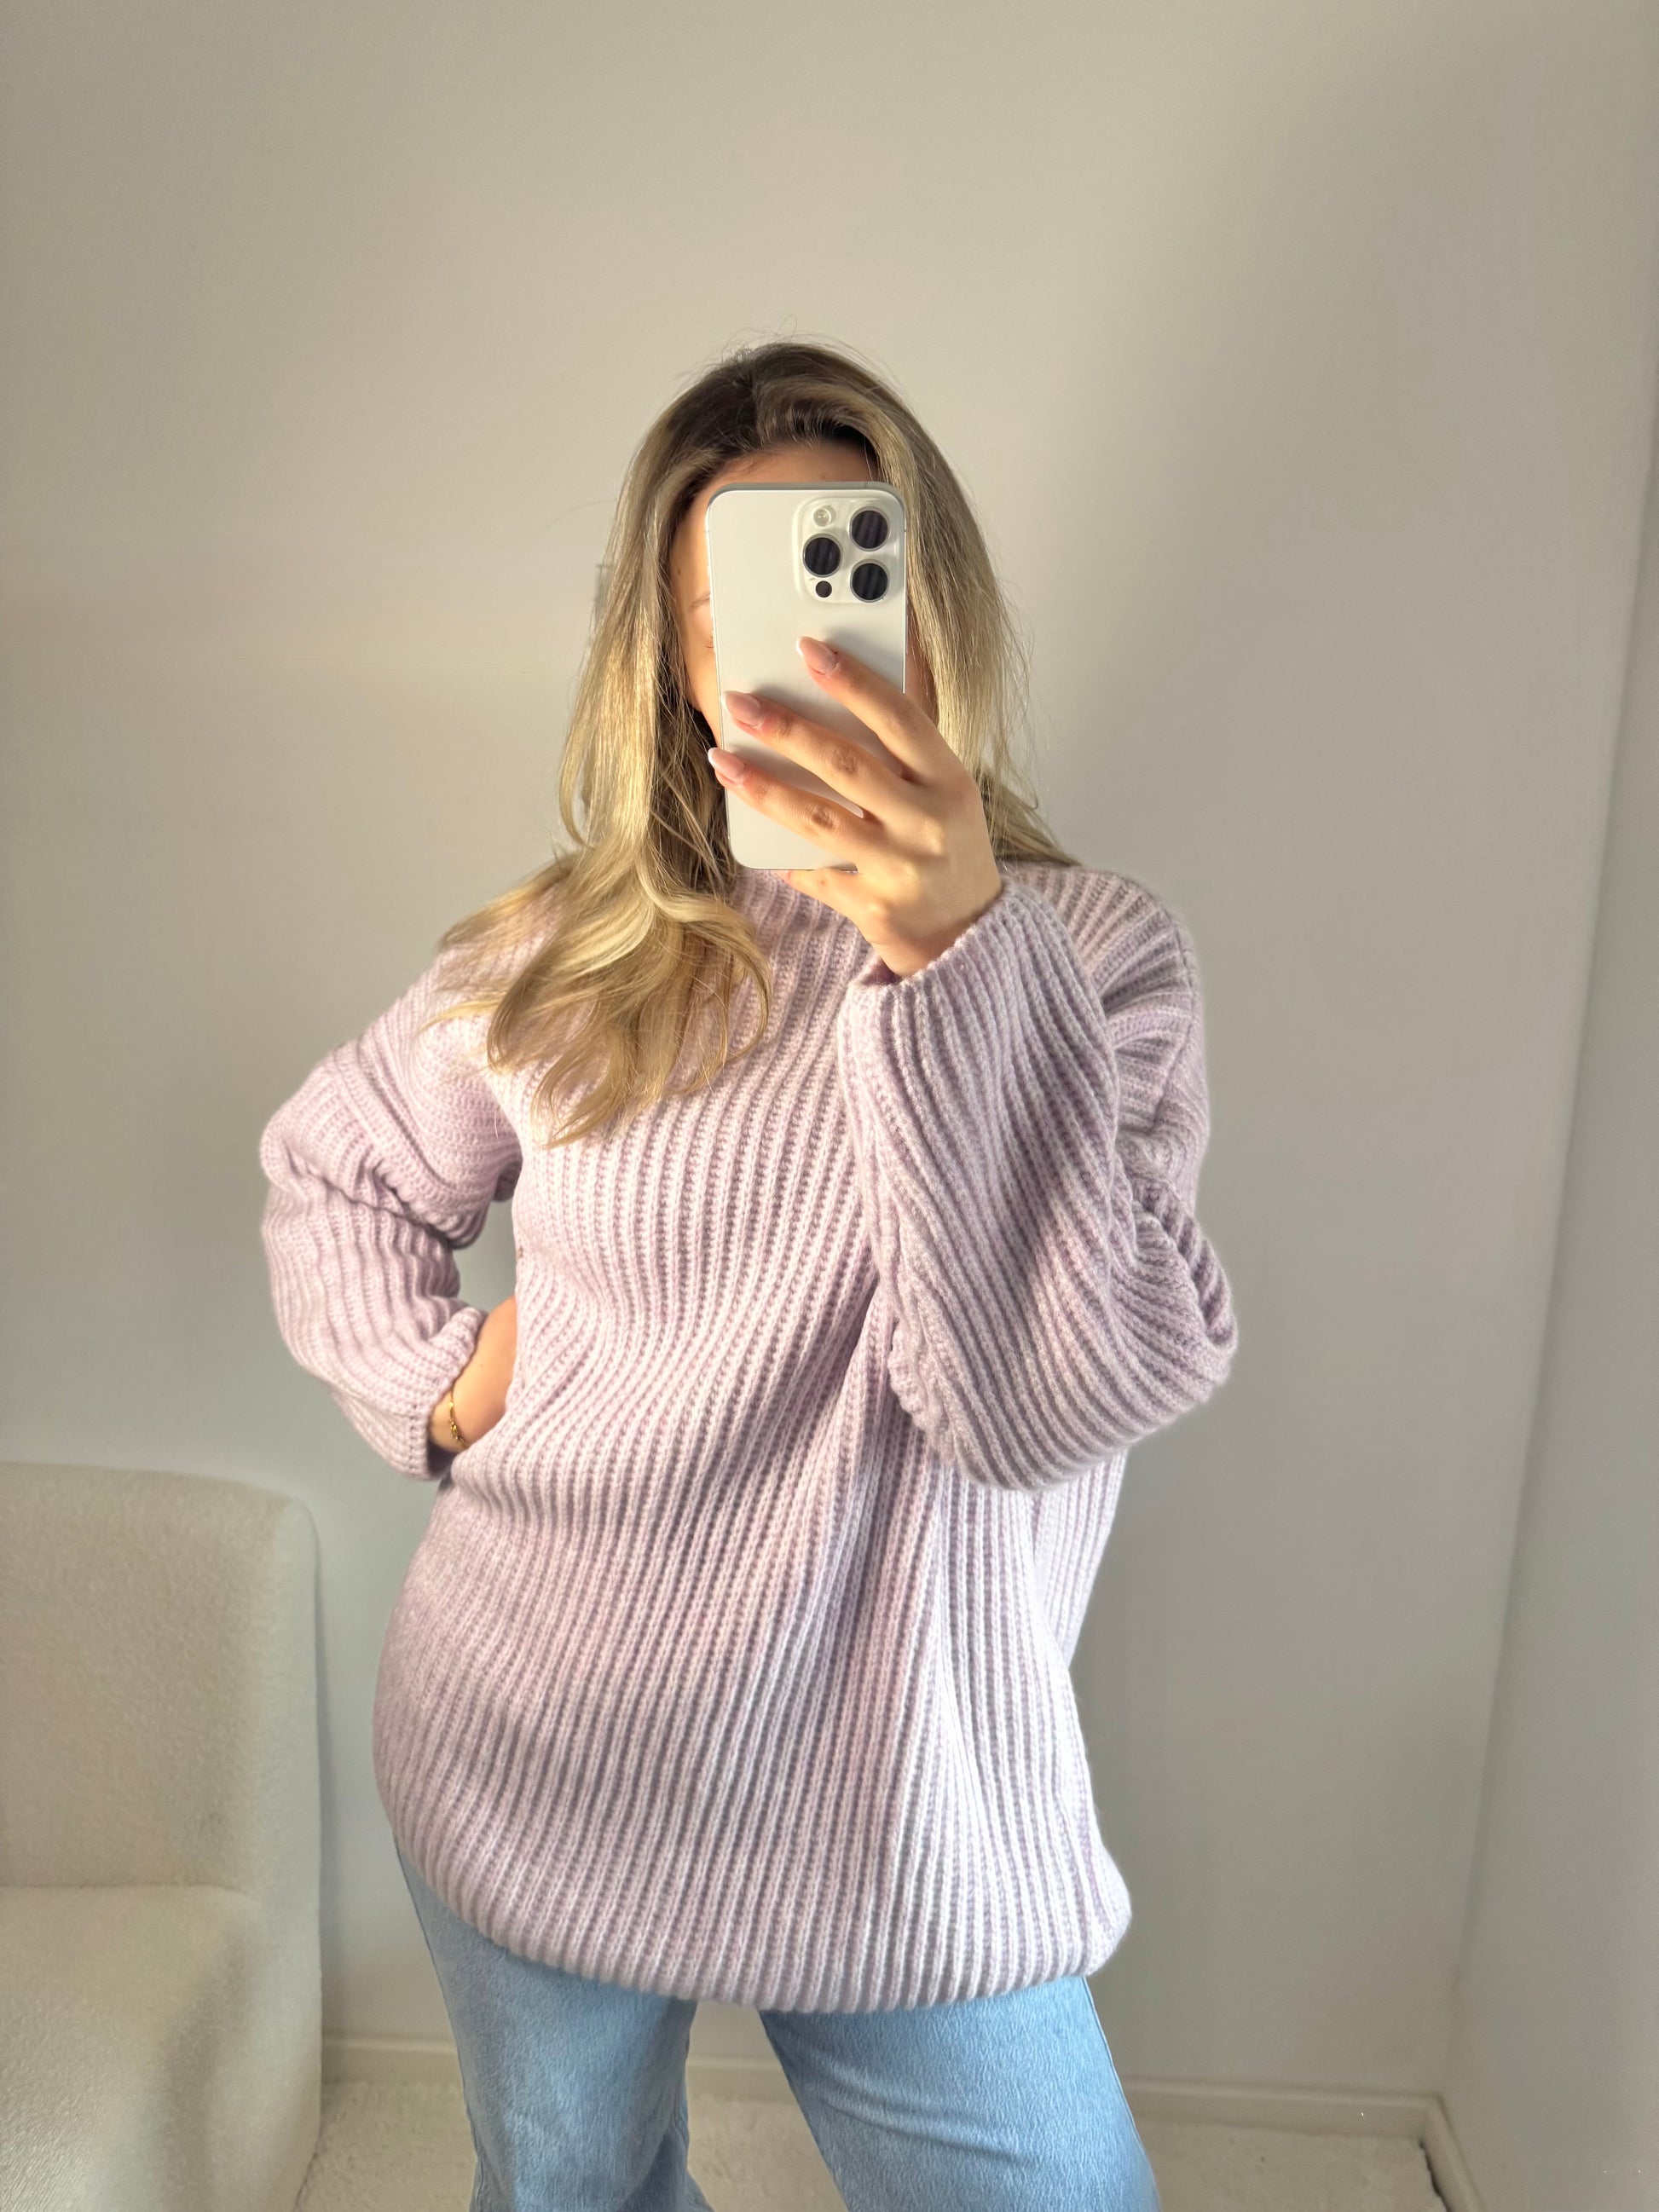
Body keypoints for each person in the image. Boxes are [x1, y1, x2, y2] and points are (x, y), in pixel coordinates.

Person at [258, 337, 1239, 2211]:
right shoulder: (564, 955)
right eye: (740, 612)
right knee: (574, 2194)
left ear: (933, 607)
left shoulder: (1091, 960)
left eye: (848, 578)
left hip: (907, 1799)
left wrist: (955, 959)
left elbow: (1048, 1403)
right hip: (539, 1732)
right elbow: (338, 1174)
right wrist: (441, 1382)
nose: (809, 652)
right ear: (676, 659)